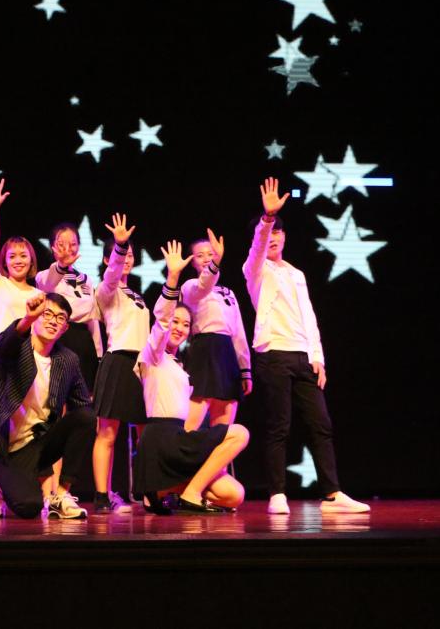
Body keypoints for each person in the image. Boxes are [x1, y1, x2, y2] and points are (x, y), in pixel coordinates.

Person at [242, 177, 370, 514]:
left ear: (285, 236)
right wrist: (267, 218)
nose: (273, 237)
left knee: (321, 424)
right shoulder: (255, 269)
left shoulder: (296, 273)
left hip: (303, 356)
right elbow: (258, 247)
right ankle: (277, 494)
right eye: (269, 233)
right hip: (273, 354)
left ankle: (332, 494)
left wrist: (318, 357)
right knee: (279, 425)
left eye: (278, 232)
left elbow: (308, 316)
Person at [133, 241, 249, 514]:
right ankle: (188, 492)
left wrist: (245, 368)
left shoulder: (182, 368)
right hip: (164, 439)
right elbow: (162, 320)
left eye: (186, 324)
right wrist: (173, 277)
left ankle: (168, 491)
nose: (180, 328)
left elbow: (238, 331)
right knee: (240, 433)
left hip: (180, 444)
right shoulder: (153, 354)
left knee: (235, 495)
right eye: (176, 322)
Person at [0, 293, 96, 519]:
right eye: (47, 314)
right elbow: (4, 346)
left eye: (60, 317)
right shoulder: (17, 347)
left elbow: (82, 406)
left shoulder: (68, 360)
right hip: (0, 447)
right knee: (29, 507)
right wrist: (27, 319)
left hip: (36, 445)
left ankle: (61, 495)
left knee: (86, 417)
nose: (53, 321)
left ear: (65, 328)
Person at [0, 177, 44, 516]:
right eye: (12, 255)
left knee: (17, 425)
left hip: (26, 360)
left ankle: (5, 486)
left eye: (23, 255)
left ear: (32, 260)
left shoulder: (39, 292)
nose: (17, 259)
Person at [90, 213, 149, 514]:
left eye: (131, 255)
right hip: (117, 362)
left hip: (143, 366)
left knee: (145, 435)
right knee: (108, 433)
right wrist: (120, 245)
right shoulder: (106, 289)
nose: (127, 259)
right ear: (108, 259)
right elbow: (113, 272)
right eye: (122, 255)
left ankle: (149, 493)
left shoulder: (137, 296)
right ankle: (102, 496)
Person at [182, 230, 252, 431]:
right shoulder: (190, 286)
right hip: (203, 352)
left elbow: (238, 332)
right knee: (190, 426)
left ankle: (219, 454)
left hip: (227, 354)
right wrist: (216, 263)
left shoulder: (228, 292)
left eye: (210, 254)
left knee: (222, 429)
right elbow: (204, 285)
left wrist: (245, 370)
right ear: (192, 262)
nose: (206, 259)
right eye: (200, 255)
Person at [34, 222, 103, 391]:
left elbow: (92, 319)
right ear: (52, 247)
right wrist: (61, 266)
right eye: (61, 244)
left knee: (85, 395)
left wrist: (99, 352)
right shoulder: (44, 276)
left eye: (73, 244)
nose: (67, 249)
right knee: (57, 394)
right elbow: (49, 283)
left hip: (84, 342)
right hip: (58, 339)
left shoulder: (87, 279)